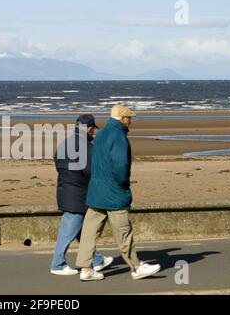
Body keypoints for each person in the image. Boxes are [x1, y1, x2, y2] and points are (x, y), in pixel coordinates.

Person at [76, 105, 161, 281]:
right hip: (113, 193)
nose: (131, 122)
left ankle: (85, 269)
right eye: (129, 118)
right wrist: (123, 185)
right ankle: (136, 267)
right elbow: (121, 166)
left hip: (96, 192)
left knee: (89, 233)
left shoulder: (101, 135)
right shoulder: (119, 136)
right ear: (122, 119)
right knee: (124, 232)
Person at [50, 114, 114, 276]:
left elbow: (58, 163)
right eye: (93, 129)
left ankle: (96, 259)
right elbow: (90, 170)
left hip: (65, 190)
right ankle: (57, 264)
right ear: (90, 128)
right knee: (68, 231)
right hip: (78, 194)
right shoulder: (86, 146)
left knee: (82, 230)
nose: (93, 133)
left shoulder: (65, 143)